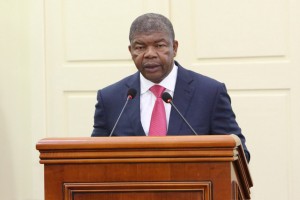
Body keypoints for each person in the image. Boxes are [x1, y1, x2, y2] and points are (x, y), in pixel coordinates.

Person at [91, 13, 250, 162]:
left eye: (159, 45)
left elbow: (240, 154)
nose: (149, 54)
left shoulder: (209, 93)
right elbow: (94, 158)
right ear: (130, 51)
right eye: (140, 47)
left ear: (174, 47)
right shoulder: (111, 98)